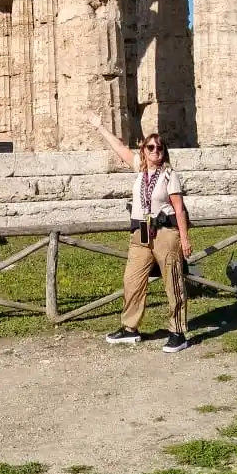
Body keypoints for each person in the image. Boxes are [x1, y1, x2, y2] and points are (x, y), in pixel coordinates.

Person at [87, 111, 192, 353]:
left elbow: (179, 209)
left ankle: (178, 332)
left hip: (165, 233)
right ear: (144, 150)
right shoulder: (139, 170)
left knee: (172, 282)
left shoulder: (169, 175)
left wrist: (184, 238)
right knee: (131, 281)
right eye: (151, 147)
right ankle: (130, 328)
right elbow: (120, 149)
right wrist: (100, 127)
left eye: (160, 148)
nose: (156, 152)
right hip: (140, 234)